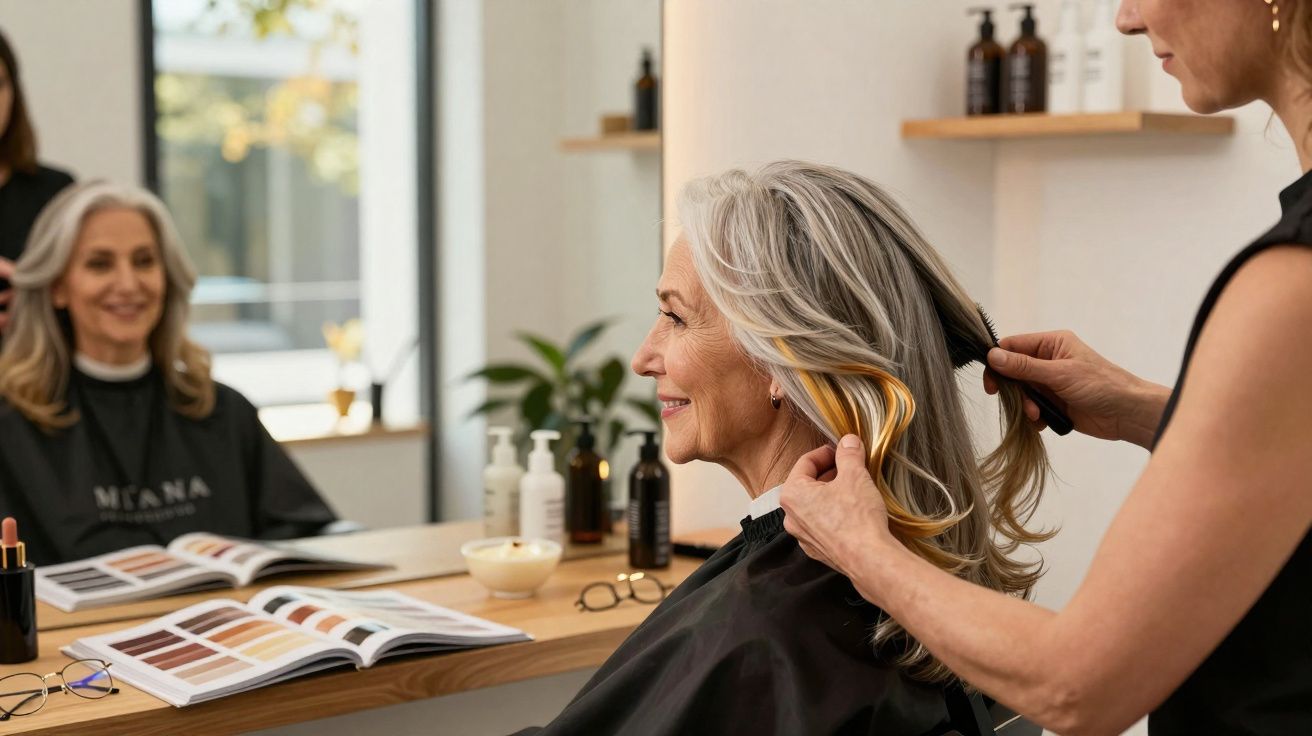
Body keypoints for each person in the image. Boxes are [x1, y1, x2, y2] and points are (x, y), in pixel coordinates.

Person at [781, 1, 1312, 734]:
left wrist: (861, 551)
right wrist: (1148, 410)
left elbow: (1076, 688)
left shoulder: (1292, 287)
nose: (1125, 19)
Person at [516, 161, 1050, 735]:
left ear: (780, 360)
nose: (643, 357)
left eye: (675, 317)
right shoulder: (941, 595)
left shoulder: (769, 628)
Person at [0, 181, 338, 565]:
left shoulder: (222, 411)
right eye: (100, 264)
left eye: (145, 261)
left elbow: (308, 532)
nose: (128, 285)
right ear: (58, 286)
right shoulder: (12, 425)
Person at [0, 28, 75, 334]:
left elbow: (84, 294)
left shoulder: (56, 191)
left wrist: (34, 295)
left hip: (36, 368)